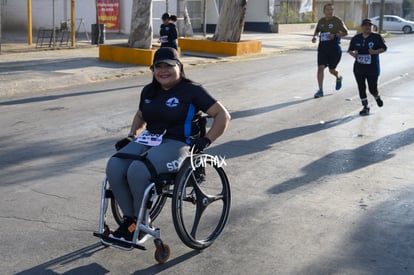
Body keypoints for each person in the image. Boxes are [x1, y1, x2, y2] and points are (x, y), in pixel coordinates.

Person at [105, 47, 231, 242]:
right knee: (114, 165)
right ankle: (131, 220)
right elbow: (140, 116)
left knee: (138, 170)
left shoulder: (192, 91)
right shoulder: (149, 91)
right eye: (158, 67)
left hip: (180, 142)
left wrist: (206, 140)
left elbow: (223, 115)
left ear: (179, 67)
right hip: (151, 139)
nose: (163, 71)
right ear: (153, 69)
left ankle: (140, 224)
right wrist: (132, 136)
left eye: (169, 66)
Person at [348, 18, 387, 116]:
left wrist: (375, 52)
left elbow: (384, 48)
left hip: (372, 68)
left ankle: (377, 96)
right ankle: (365, 107)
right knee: (361, 88)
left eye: (369, 25)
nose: (367, 27)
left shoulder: (377, 37)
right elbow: (350, 50)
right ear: (362, 27)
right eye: (365, 25)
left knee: (372, 88)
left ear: (372, 27)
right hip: (359, 68)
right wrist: (353, 54)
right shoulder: (356, 38)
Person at [311, 3, 348, 98]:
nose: (329, 11)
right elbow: (317, 31)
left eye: (331, 9)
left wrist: (335, 35)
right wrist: (314, 37)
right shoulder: (321, 21)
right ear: (324, 11)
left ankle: (338, 77)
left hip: (334, 49)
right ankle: (320, 90)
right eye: (327, 10)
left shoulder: (337, 21)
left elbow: (345, 33)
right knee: (320, 68)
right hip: (323, 48)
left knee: (332, 70)